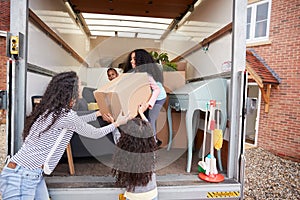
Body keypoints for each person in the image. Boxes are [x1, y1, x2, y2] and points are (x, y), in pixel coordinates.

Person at [0, 71, 130, 200]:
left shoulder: (51, 111)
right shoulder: (66, 116)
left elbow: (75, 121)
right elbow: (94, 133)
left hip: (28, 173)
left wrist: (97, 114)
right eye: (79, 85)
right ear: (71, 90)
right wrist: (117, 124)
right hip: (22, 176)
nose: (81, 88)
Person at [112, 105, 158, 200]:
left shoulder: (124, 151)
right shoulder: (150, 151)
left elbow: (116, 135)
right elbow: (150, 132)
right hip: (152, 194)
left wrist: (113, 123)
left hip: (132, 196)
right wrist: (141, 112)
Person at [124, 49, 166, 147]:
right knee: (145, 119)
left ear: (140, 60)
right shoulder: (135, 73)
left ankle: (153, 144)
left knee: (150, 120)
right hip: (149, 96)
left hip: (158, 97)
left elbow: (156, 90)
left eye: (134, 59)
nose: (131, 61)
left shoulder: (146, 75)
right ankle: (150, 141)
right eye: (131, 59)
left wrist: (149, 104)